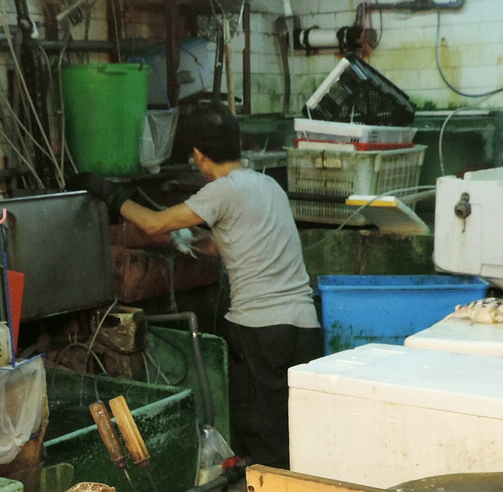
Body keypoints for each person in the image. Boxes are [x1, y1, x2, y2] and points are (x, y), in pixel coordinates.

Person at [73, 104, 323, 470]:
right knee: (296, 433)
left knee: (263, 438)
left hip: (261, 333)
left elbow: (155, 224)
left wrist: (107, 192)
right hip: (304, 328)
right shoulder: (268, 185)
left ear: (200, 156)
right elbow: (233, 242)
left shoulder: (223, 191)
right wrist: (193, 240)